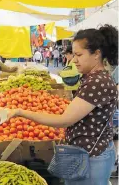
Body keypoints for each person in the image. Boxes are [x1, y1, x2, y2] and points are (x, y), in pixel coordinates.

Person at [8, 24, 118, 185]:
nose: (74, 60)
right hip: (88, 153)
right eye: (74, 55)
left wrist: (21, 112)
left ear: (96, 54)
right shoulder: (93, 78)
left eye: (79, 55)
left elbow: (64, 120)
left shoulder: (97, 82)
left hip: (92, 157)